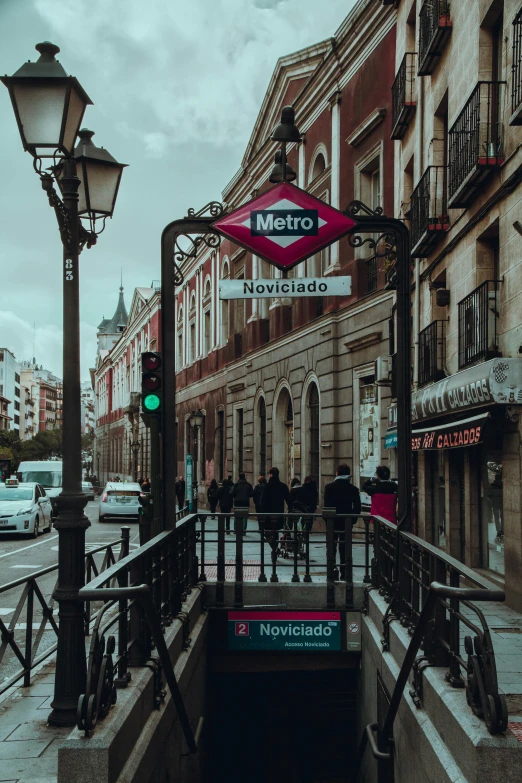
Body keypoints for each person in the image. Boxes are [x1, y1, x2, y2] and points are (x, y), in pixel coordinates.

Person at [324, 464, 361, 579]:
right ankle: (345, 571)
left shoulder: (329, 487)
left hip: (332, 522)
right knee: (344, 547)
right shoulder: (353, 489)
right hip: (346, 521)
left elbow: (326, 507)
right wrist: (352, 519)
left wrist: (328, 521)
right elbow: (357, 507)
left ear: (337, 473)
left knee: (331, 546)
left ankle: (332, 569)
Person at [260, 467, 290, 558]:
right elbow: (288, 500)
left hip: (269, 514)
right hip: (279, 513)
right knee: (276, 530)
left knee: (269, 532)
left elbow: (263, 501)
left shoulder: (267, 486)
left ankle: (274, 548)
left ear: (271, 475)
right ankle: (275, 548)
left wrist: (262, 514)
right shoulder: (283, 486)